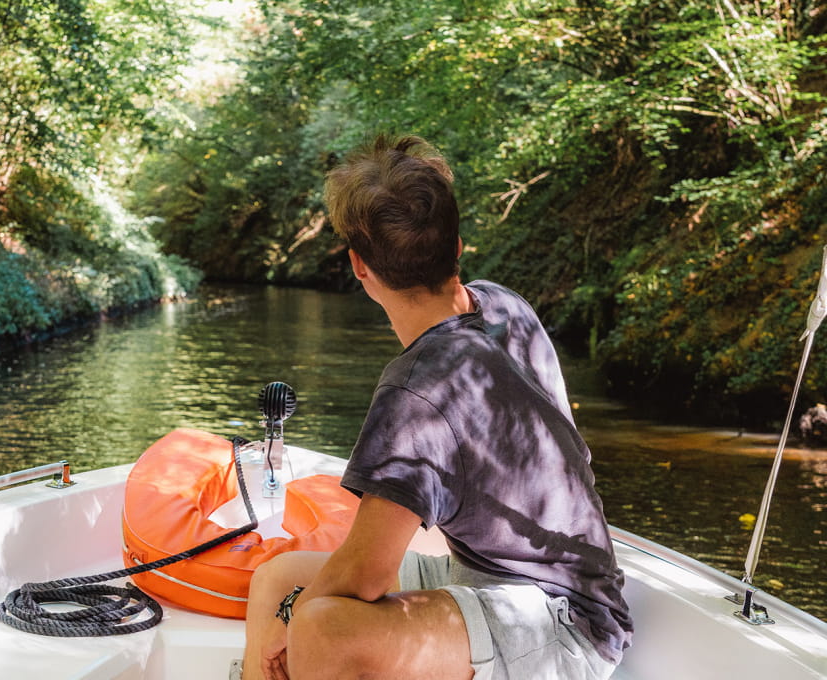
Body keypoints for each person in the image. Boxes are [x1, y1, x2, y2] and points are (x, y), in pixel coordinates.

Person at [238, 135, 632, 680]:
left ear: (359, 267)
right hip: (489, 580)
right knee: (277, 579)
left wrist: (295, 619)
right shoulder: (505, 305)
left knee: (321, 628)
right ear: (458, 247)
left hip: (562, 622)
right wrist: (293, 607)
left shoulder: (414, 392)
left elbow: (366, 577)